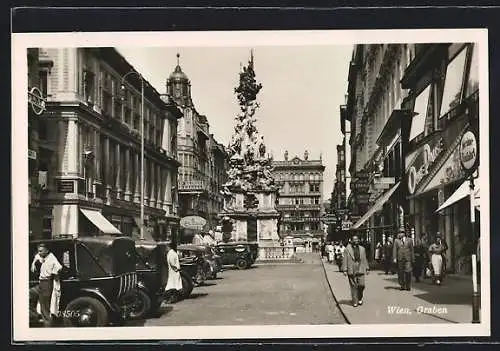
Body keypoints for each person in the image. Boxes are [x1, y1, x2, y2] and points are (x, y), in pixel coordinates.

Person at [29, 243, 63, 327]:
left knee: (45, 307)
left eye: (41, 251)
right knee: (28, 295)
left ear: (46, 251)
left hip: (46, 283)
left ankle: (47, 325)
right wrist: (33, 263)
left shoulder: (52, 258)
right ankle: (34, 316)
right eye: (38, 251)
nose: (39, 253)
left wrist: (54, 274)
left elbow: (59, 267)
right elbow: (37, 256)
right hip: (41, 283)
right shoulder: (42, 256)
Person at [342, 235, 369, 307]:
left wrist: (367, 268)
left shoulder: (362, 249)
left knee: (362, 285)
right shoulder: (347, 249)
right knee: (353, 286)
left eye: (357, 239)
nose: (356, 240)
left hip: (360, 267)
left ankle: (360, 297)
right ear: (351, 240)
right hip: (351, 268)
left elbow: (364, 259)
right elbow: (345, 260)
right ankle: (355, 301)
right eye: (354, 239)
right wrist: (344, 270)